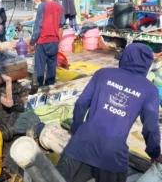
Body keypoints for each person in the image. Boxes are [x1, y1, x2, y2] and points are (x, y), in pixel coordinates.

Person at [56, 43, 162, 182]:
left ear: (124, 57)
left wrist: (76, 129)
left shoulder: (103, 74)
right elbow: (150, 126)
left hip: (81, 144)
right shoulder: (150, 90)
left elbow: (82, 103)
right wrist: (154, 153)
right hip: (113, 155)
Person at [29, 0, 65, 86]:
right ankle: (50, 89)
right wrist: (58, 42)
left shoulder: (42, 6)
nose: (41, 0)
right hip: (54, 42)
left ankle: (39, 89)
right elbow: (61, 27)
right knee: (52, 67)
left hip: (43, 41)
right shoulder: (60, 7)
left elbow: (38, 26)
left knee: (39, 68)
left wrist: (32, 43)